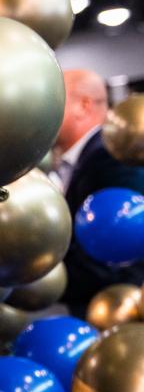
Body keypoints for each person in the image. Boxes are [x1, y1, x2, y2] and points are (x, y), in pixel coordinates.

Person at [55, 69, 144, 314]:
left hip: (116, 311)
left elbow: (115, 254)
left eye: (51, 101)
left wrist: (39, 282)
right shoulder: (85, 159)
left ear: (83, 105)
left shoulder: (111, 157)